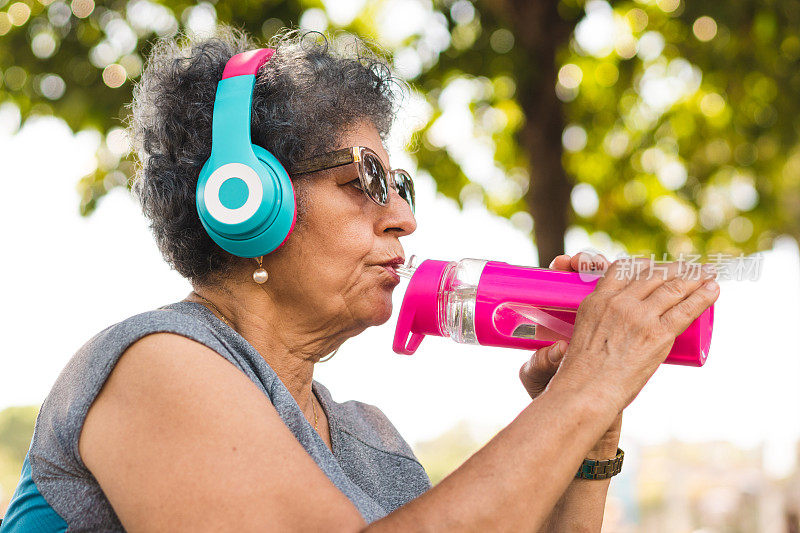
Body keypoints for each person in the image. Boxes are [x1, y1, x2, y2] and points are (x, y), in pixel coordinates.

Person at [0, 26, 719, 531]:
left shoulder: (367, 439)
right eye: (365, 179)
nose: (403, 216)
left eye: (401, 184)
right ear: (246, 200)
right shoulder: (157, 365)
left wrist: (588, 414)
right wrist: (590, 384)